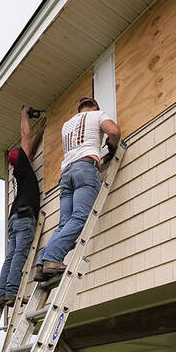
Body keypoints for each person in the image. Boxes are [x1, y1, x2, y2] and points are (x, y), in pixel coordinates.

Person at [32, 97, 120, 282]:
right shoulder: (97, 115)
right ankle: (52, 258)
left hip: (66, 174)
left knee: (64, 223)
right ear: (95, 106)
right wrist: (111, 147)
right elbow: (113, 131)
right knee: (80, 217)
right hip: (84, 168)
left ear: (79, 108)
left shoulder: (67, 125)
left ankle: (41, 265)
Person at [0, 105, 46, 305]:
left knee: (10, 257)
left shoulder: (19, 171)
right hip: (25, 217)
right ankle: (12, 291)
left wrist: (41, 133)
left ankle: (2, 293)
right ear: (22, 159)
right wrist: (24, 113)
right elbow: (25, 137)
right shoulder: (23, 169)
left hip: (15, 217)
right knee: (18, 255)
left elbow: (29, 151)